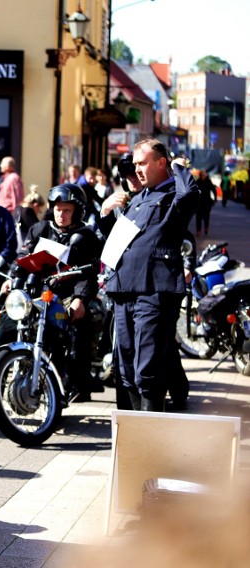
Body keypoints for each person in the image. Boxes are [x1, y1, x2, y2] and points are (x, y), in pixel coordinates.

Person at [0, 183, 105, 420]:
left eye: (67, 210)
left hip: (67, 293)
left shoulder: (86, 235)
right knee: (3, 333)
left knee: (70, 328)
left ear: (77, 211)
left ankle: (69, 386)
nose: (61, 214)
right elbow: (22, 257)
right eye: (58, 209)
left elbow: (89, 273)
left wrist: (80, 298)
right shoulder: (40, 229)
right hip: (34, 292)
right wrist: (13, 277)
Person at [97, 140, 199, 412]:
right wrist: (105, 213)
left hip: (154, 288)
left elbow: (190, 194)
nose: (136, 169)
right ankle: (134, 431)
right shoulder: (139, 198)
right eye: (135, 164)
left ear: (161, 162)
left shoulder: (172, 195)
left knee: (148, 367)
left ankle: (149, 432)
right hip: (123, 288)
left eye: (142, 163)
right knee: (126, 366)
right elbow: (118, 240)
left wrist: (179, 166)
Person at [195, 169, 215, 236]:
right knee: (198, 217)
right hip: (199, 202)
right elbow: (194, 192)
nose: (202, 176)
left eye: (203, 175)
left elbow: (213, 190)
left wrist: (214, 199)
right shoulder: (197, 182)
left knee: (206, 217)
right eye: (201, 175)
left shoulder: (208, 182)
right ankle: (199, 230)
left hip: (207, 202)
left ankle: (206, 228)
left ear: (205, 175)